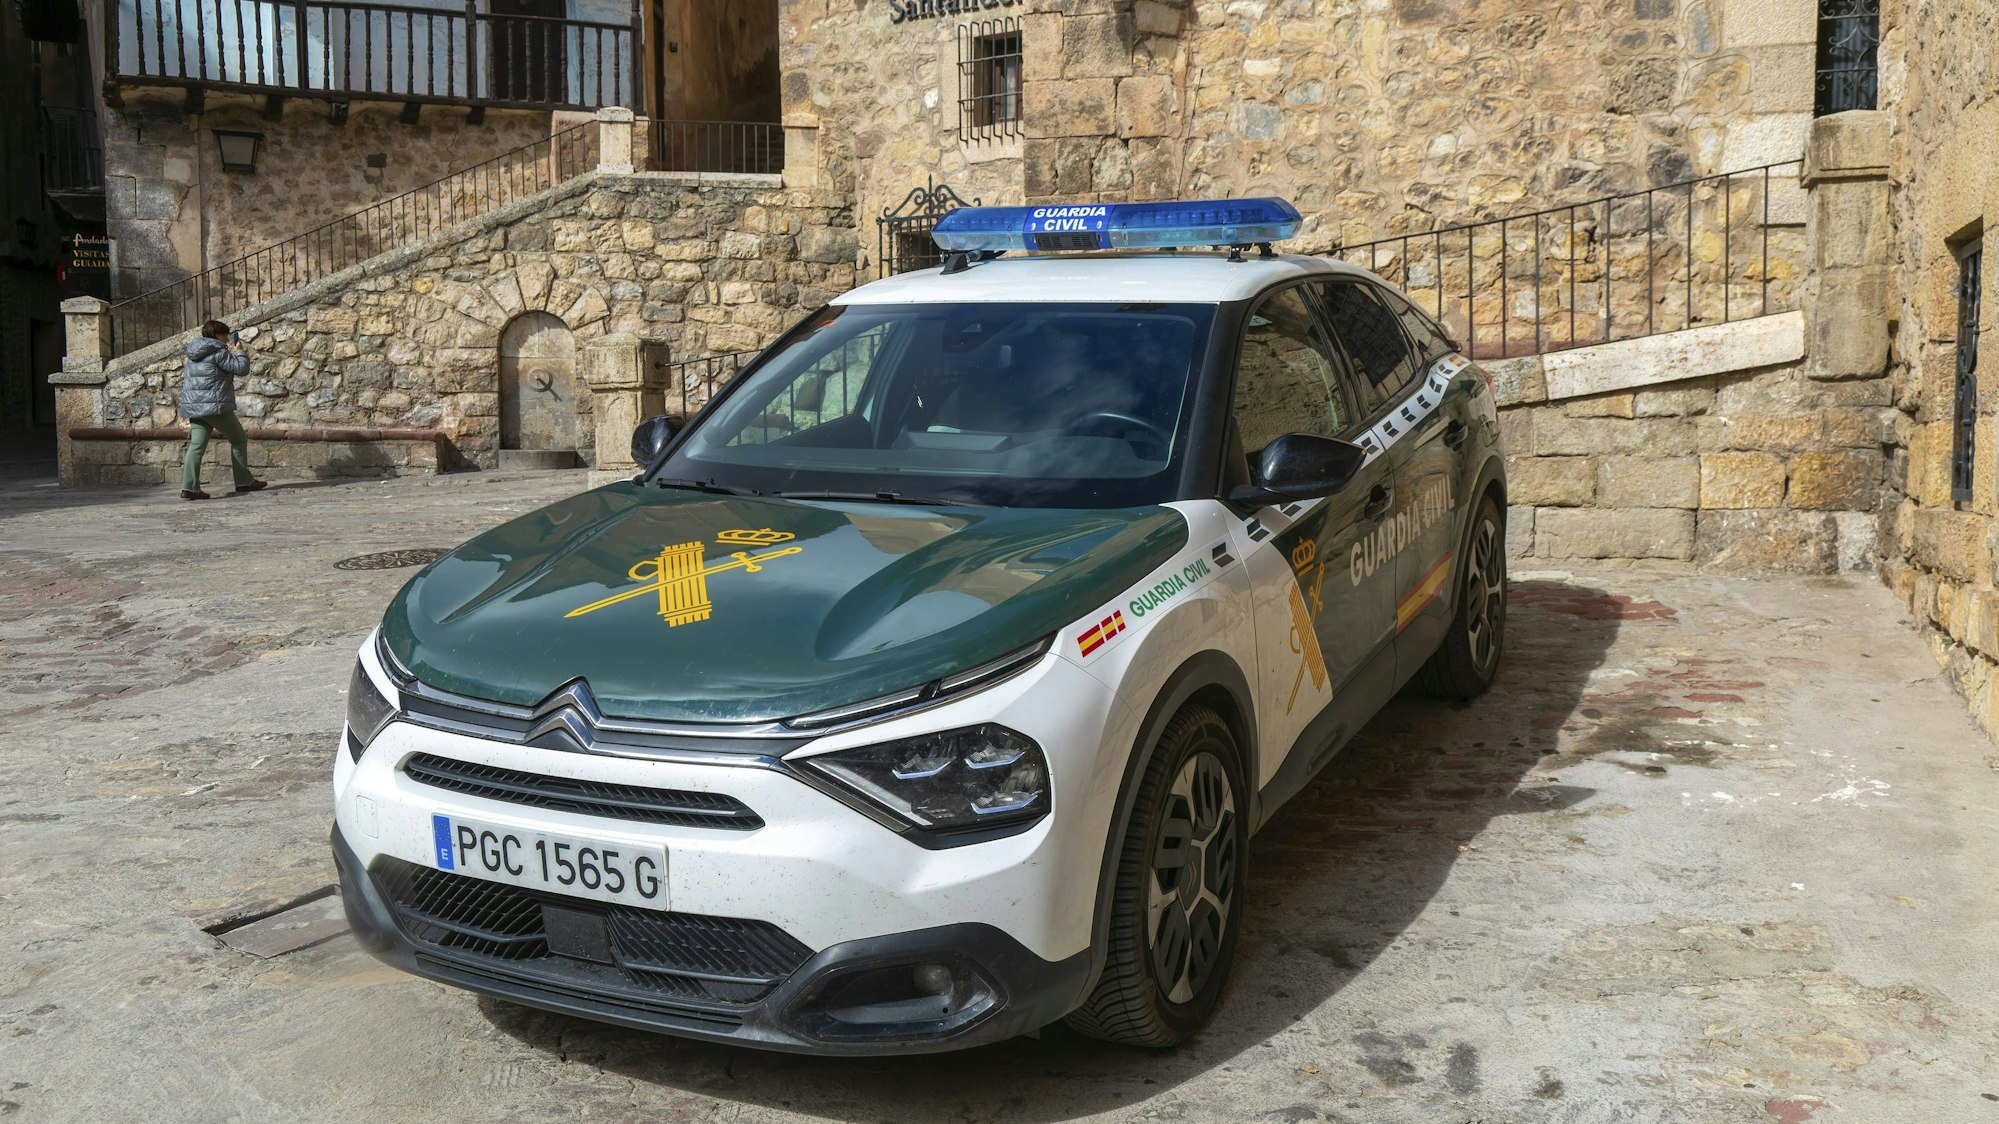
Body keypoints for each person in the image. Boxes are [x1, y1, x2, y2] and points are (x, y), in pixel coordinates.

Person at [178, 320, 267, 500]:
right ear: (218, 335)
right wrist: (239, 351)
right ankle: (244, 481)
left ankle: (190, 487)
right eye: (225, 335)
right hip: (214, 407)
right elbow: (241, 369)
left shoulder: (194, 353)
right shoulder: (219, 352)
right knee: (239, 439)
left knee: (196, 447)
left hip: (194, 406)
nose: (227, 338)